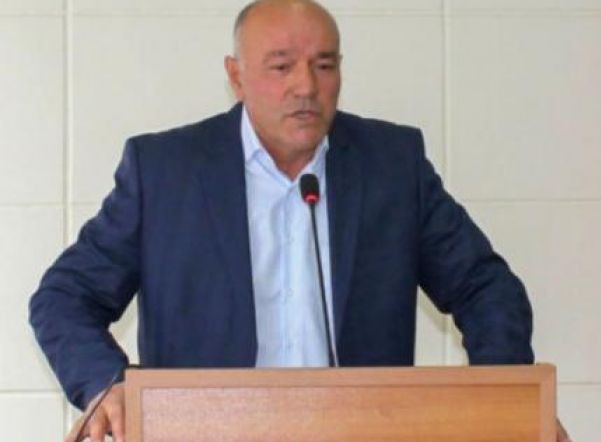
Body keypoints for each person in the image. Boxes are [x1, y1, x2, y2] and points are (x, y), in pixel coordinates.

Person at [28, 1, 570, 441]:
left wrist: (506, 404)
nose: (306, 86)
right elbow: (64, 298)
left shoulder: (391, 166)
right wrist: (109, 386)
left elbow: (484, 287)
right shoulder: (166, 172)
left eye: (324, 65)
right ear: (236, 76)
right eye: (281, 66)